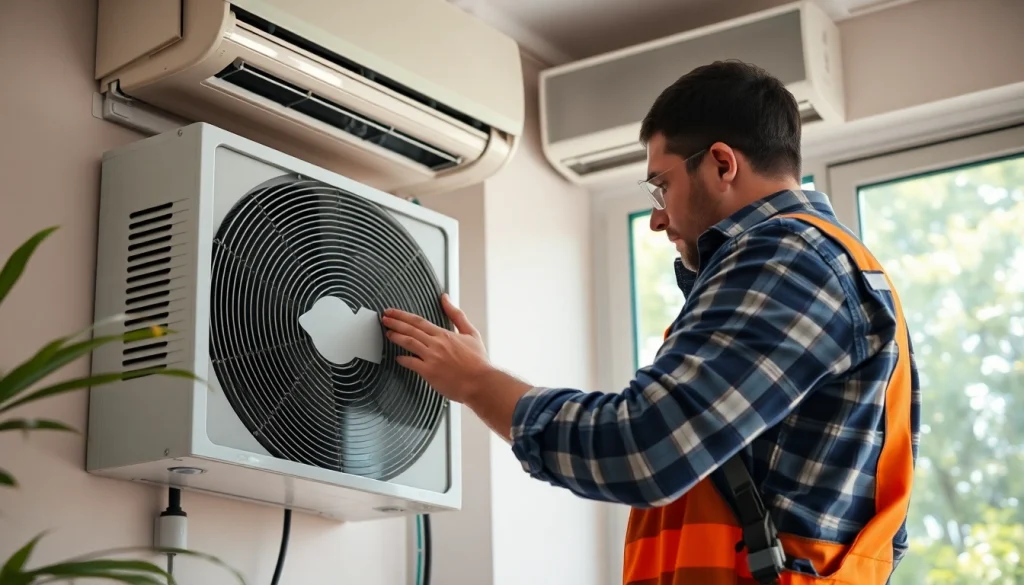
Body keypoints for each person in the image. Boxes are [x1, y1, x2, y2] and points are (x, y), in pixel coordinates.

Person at [381, 60, 920, 585]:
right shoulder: (821, 269)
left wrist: (476, 382)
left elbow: (644, 450)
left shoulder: (788, 260)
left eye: (661, 186)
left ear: (722, 164)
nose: (659, 217)